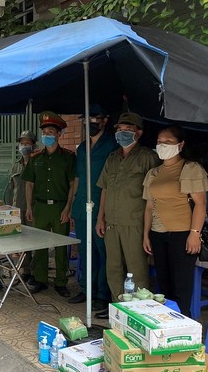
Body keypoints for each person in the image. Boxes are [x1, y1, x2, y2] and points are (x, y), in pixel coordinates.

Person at [96, 112, 160, 319]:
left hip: (135, 223)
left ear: (139, 133)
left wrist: (150, 230)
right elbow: (104, 189)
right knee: (113, 268)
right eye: (120, 130)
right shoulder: (112, 158)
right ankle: (118, 309)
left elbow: (155, 195)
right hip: (111, 222)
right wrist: (100, 217)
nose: (122, 133)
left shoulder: (148, 158)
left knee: (137, 270)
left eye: (128, 130)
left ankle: (139, 314)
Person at [143, 125, 208, 316]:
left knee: (181, 286)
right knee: (163, 286)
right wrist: (146, 235)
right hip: (157, 234)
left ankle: (183, 327)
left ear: (180, 145)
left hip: (182, 235)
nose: (162, 145)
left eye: (168, 142)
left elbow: (200, 204)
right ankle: (166, 326)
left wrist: (194, 234)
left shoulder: (190, 168)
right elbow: (149, 207)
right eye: (159, 142)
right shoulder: (153, 173)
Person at [69, 105, 118, 313]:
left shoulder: (112, 146)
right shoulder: (81, 148)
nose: (91, 122)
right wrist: (72, 205)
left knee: (102, 251)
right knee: (85, 250)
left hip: (102, 206)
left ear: (105, 120)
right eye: (87, 118)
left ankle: (102, 294)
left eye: (95, 118)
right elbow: (78, 177)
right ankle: (86, 289)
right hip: (82, 206)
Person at [22, 111, 76, 297]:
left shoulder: (68, 157)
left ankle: (61, 281)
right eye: (44, 133)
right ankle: (41, 279)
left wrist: (68, 207)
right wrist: (29, 207)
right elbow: (29, 184)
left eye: (51, 132)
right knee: (40, 244)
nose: (47, 136)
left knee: (61, 245)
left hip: (60, 207)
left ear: (59, 134)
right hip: (40, 207)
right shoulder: (36, 158)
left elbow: (72, 184)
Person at [4, 130, 37, 281]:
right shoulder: (16, 166)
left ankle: (35, 273)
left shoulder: (37, 163)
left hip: (33, 208)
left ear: (33, 145)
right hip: (17, 209)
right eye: (22, 143)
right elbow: (11, 189)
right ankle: (25, 271)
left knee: (34, 241)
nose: (24, 146)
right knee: (21, 241)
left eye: (27, 143)